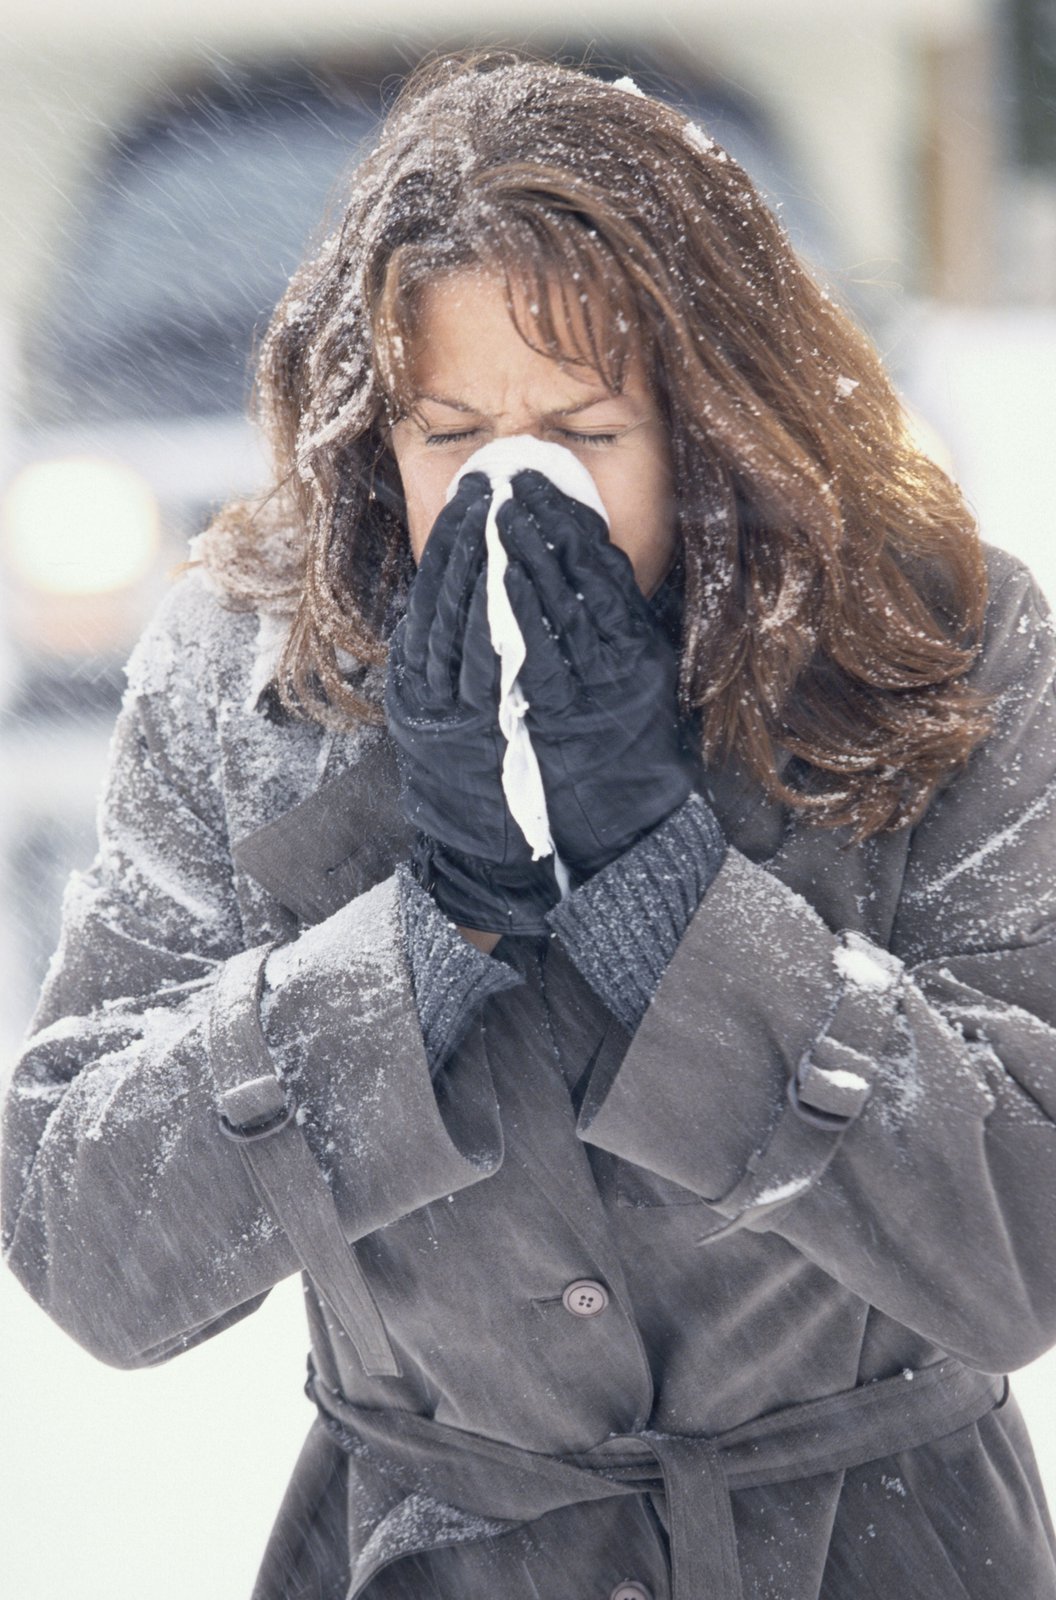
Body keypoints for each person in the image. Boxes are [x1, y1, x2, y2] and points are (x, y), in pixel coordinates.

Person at [3, 46, 1056, 1600]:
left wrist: (665, 898)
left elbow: (1020, 1237)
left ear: (713, 421)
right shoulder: (249, 681)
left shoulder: (940, 649)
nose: (514, 490)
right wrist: (428, 940)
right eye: (452, 437)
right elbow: (89, 1241)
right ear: (375, 431)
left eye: (582, 433)